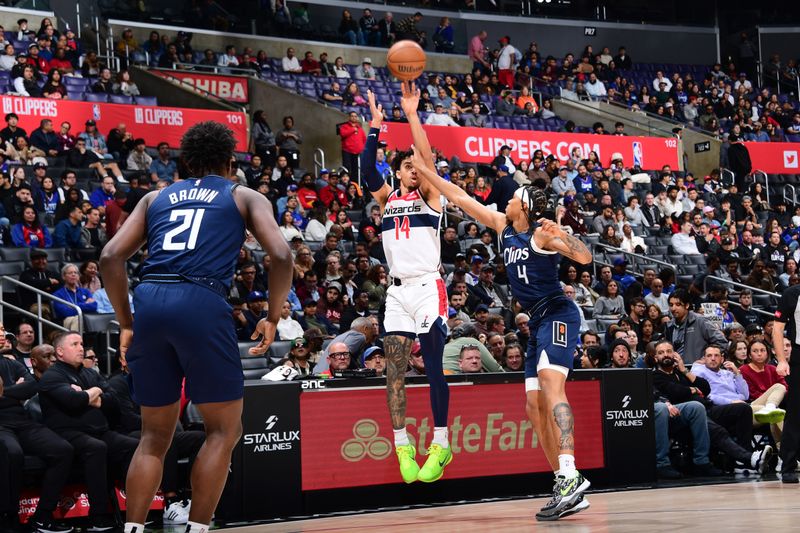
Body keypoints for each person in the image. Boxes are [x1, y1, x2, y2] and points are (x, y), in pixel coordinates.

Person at [100, 121, 293, 533]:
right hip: (201, 300)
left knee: (153, 436)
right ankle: (198, 527)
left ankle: (133, 529)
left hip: (149, 299)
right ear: (229, 163)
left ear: (185, 162)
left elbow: (110, 257)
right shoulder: (243, 195)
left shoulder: (155, 197)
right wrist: (273, 316)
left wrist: (127, 323)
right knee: (225, 429)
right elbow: (281, 256)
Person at [411, 117, 594, 518]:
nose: (505, 199)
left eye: (513, 197)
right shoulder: (501, 227)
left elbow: (584, 257)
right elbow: (460, 197)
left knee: (550, 385)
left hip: (559, 314)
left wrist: (563, 233)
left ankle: (570, 472)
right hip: (534, 321)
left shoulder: (543, 235)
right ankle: (563, 483)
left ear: (524, 207)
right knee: (533, 407)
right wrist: (427, 172)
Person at [358, 85, 453, 485]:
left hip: (428, 287)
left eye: (419, 166)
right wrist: (375, 129)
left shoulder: (432, 196)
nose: (415, 169)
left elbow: (426, 157)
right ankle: (402, 444)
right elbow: (366, 173)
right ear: (398, 172)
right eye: (409, 166)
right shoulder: (387, 199)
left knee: (432, 365)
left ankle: (442, 442)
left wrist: (412, 117)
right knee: (394, 372)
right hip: (396, 292)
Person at [38, 332, 140, 531]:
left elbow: (114, 401)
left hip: (99, 431)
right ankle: (98, 516)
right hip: (67, 433)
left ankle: (132, 508)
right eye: (74, 344)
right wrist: (93, 393)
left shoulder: (90, 373)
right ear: (59, 352)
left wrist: (90, 394)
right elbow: (74, 402)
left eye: (81, 344)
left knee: (134, 446)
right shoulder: (53, 375)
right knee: (97, 448)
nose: (80, 348)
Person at [0, 351, 74, 532]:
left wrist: (3, 391)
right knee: (12, 453)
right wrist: (16, 390)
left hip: (22, 420)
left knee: (63, 449)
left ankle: (42, 516)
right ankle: (7, 517)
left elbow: (32, 386)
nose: (2, 333)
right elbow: (24, 388)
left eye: (3, 329)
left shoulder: (13, 363)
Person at [773, 281, 800, 482]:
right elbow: (777, 329)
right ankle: (788, 465)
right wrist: (782, 359)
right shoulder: (792, 294)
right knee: (796, 412)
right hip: (799, 354)